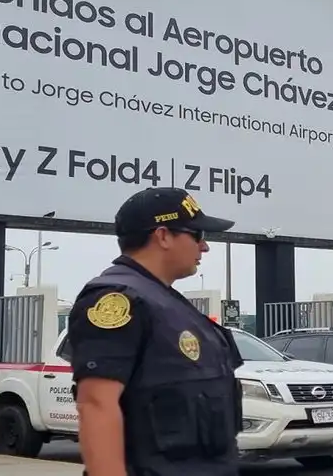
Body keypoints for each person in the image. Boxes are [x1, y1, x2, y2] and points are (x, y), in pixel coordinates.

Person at [68, 187, 245, 476]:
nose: (205, 247)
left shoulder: (166, 303)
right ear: (163, 236)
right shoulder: (118, 298)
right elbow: (96, 402)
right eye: (197, 235)